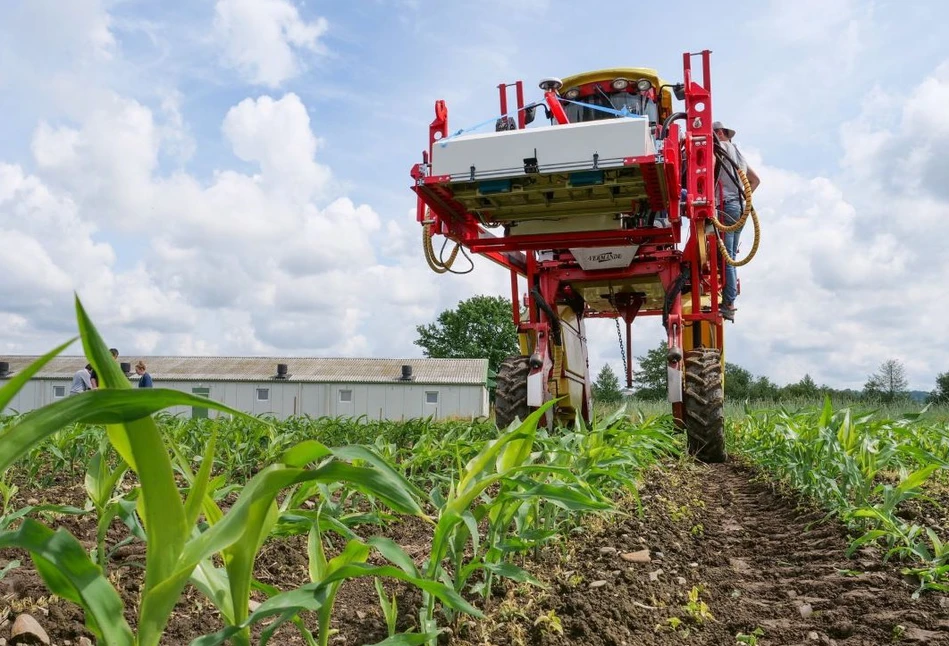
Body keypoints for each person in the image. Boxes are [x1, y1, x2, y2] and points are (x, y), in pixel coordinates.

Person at [713, 121, 760, 321]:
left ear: (719, 133)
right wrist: (744, 198)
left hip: (726, 205)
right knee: (729, 254)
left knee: (727, 257)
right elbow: (756, 180)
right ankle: (728, 297)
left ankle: (729, 301)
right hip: (740, 206)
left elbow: (710, 173)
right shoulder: (738, 155)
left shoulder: (719, 149)